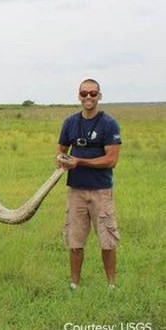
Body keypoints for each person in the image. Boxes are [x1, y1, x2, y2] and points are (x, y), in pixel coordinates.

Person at [57, 78, 122, 290]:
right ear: (78, 95)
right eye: (84, 93)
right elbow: (61, 151)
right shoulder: (70, 123)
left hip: (101, 191)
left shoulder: (109, 124)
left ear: (99, 96)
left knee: (107, 240)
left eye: (93, 93)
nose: (88, 97)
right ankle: (74, 284)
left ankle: (111, 285)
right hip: (76, 191)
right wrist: (62, 160)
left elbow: (111, 159)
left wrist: (80, 161)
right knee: (75, 241)